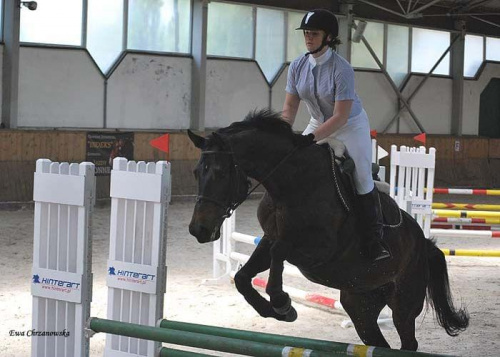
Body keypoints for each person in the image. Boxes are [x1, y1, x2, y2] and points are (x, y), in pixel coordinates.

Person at [282, 9, 391, 261]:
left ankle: (375, 240)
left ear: (328, 37)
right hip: (318, 121)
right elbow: (289, 108)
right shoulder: (297, 65)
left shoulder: (342, 69)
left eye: (314, 34)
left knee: (362, 176)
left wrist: (309, 139)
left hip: (350, 124)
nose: (308, 38)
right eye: (306, 33)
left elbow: (340, 116)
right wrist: (282, 134)